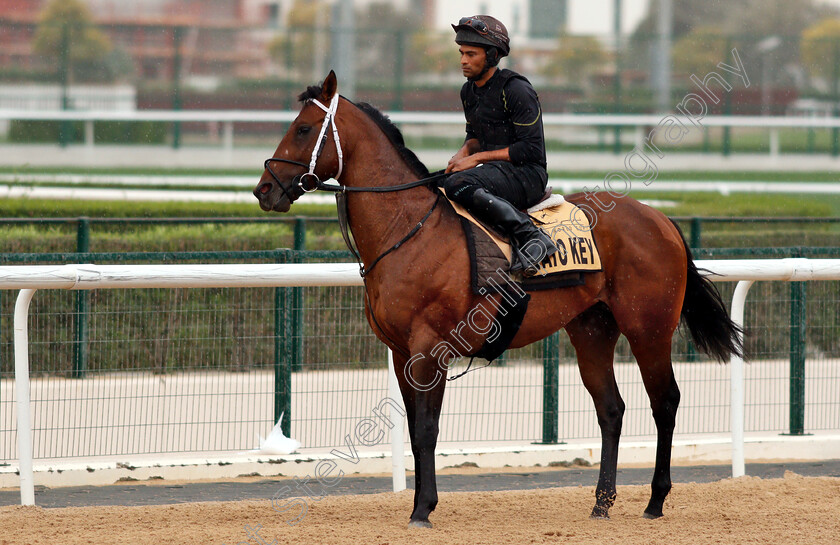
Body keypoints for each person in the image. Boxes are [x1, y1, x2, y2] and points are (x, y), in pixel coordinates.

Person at [443, 15, 558, 274]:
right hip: (497, 172)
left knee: (458, 184)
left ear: (493, 56)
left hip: (527, 175)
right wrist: (462, 154)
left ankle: (531, 237)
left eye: (471, 54)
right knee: (436, 183)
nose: (463, 60)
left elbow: (530, 150)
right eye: (462, 53)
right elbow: (473, 134)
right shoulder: (468, 90)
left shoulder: (516, 90)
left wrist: (475, 159)